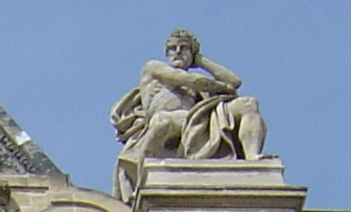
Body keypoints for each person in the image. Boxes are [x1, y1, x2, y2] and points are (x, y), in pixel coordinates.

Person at [110, 29, 267, 202]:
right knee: (162, 121)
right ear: (166, 52)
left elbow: (235, 82)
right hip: (169, 118)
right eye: (172, 48)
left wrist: (200, 60)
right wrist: (221, 88)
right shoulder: (154, 67)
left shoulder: (198, 77)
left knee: (248, 103)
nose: (177, 51)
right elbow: (187, 80)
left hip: (195, 118)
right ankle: (145, 177)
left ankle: (252, 158)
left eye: (183, 48)